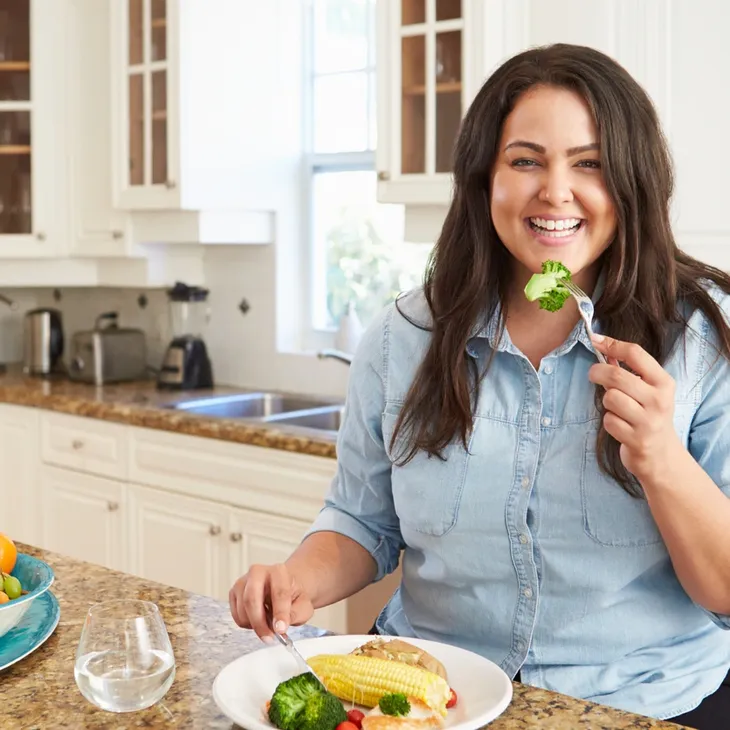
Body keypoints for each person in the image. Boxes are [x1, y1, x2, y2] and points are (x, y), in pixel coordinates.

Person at [229, 43, 730, 728]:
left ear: (632, 181)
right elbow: (363, 522)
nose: (555, 191)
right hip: (433, 696)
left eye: (590, 163)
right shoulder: (402, 338)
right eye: (525, 160)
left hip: (642, 704)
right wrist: (298, 581)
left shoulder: (703, 338)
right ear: (483, 179)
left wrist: (663, 461)